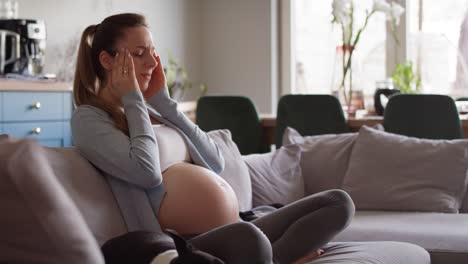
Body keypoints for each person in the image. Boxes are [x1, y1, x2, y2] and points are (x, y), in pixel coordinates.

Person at [71, 13, 355, 264]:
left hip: (236, 223)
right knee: (249, 238)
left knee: (338, 202)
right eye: (139, 53)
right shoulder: (90, 118)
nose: (152, 62)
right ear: (107, 60)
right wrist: (132, 98)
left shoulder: (149, 110)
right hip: (186, 242)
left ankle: (271, 258)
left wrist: (165, 103)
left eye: (153, 52)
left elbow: (214, 161)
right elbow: (146, 173)